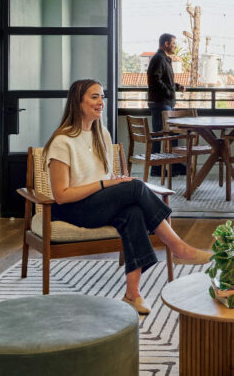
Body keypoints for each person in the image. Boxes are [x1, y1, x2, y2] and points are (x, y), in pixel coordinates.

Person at [44, 79, 211, 315]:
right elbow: (61, 196)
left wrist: (113, 180)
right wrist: (107, 183)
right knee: (135, 186)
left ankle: (132, 294)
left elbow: (102, 173)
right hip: (72, 209)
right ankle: (177, 246)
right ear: (77, 101)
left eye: (102, 96)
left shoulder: (100, 133)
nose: (101, 102)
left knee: (133, 212)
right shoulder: (62, 141)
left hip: (99, 203)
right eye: (94, 97)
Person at [147, 33, 185, 175]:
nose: (175, 47)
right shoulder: (158, 59)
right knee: (159, 135)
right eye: (174, 44)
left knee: (171, 134)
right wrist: (169, 92)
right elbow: (155, 80)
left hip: (165, 102)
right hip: (161, 103)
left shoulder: (164, 59)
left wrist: (176, 86)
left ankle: (173, 165)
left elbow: (164, 81)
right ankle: (156, 169)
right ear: (166, 43)